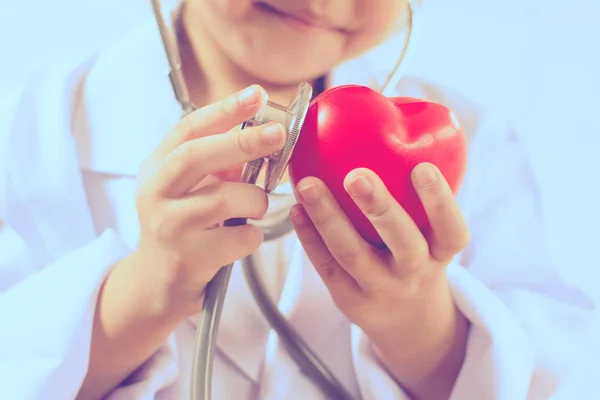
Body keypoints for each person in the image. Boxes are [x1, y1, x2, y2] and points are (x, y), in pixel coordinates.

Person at [0, 0, 595, 399]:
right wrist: (145, 293)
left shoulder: (471, 144)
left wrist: (421, 329)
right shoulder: (27, 134)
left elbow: (557, 374)